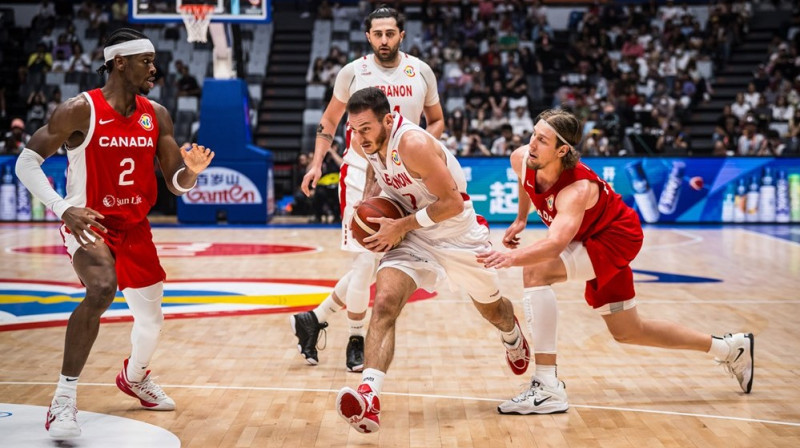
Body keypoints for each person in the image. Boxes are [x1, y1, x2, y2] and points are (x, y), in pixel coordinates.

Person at [476, 109, 754, 415]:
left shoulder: (577, 189)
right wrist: (520, 219)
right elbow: (525, 180)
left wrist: (509, 257)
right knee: (628, 330)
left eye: (542, 140)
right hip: (589, 238)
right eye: (533, 134)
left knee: (536, 270)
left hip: (616, 238)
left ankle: (547, 386)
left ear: (562, 150)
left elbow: (555, 244)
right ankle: (729, 348)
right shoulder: (522, 158)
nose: (532, 144)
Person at [14, 28, 214, 438]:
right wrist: (63, 206)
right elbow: (26, 163)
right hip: (90, 222)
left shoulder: (155, 114)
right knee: (102, 288)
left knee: (151, 318)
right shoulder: (79, 109)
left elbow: (175, 183)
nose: (154, 68)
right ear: (119, 62)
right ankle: (63, 400)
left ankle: (134, 376)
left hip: (136, 226)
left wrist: (190, 174)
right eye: (146, 60)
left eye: (153, 60)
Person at [334, 87, 529, 434]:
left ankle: (512, 335)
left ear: (388, 120)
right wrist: (368, 202)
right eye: (353, 129)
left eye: (365, 128)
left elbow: (452, 203)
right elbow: (373, 169)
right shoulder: (370, 144)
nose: (359, 137)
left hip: (456, 233)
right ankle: (369, 397)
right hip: (410, 235)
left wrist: (401, 225)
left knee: (492, 309)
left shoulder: (413, 144)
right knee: (385, 304)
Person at [291, 5, 444, 373]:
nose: (384, 40)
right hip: (361, 170)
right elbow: (329, 120)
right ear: (368, 36)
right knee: (368, 256)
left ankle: (316, 317)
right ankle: (356, 340)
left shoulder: (420, 71)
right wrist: (316, 163)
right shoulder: (353, 72)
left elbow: (436, 121)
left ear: (401, 35)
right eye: (378, 34)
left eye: (391, 33)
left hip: (405, 173)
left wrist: (419, 151)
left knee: (379, 258)